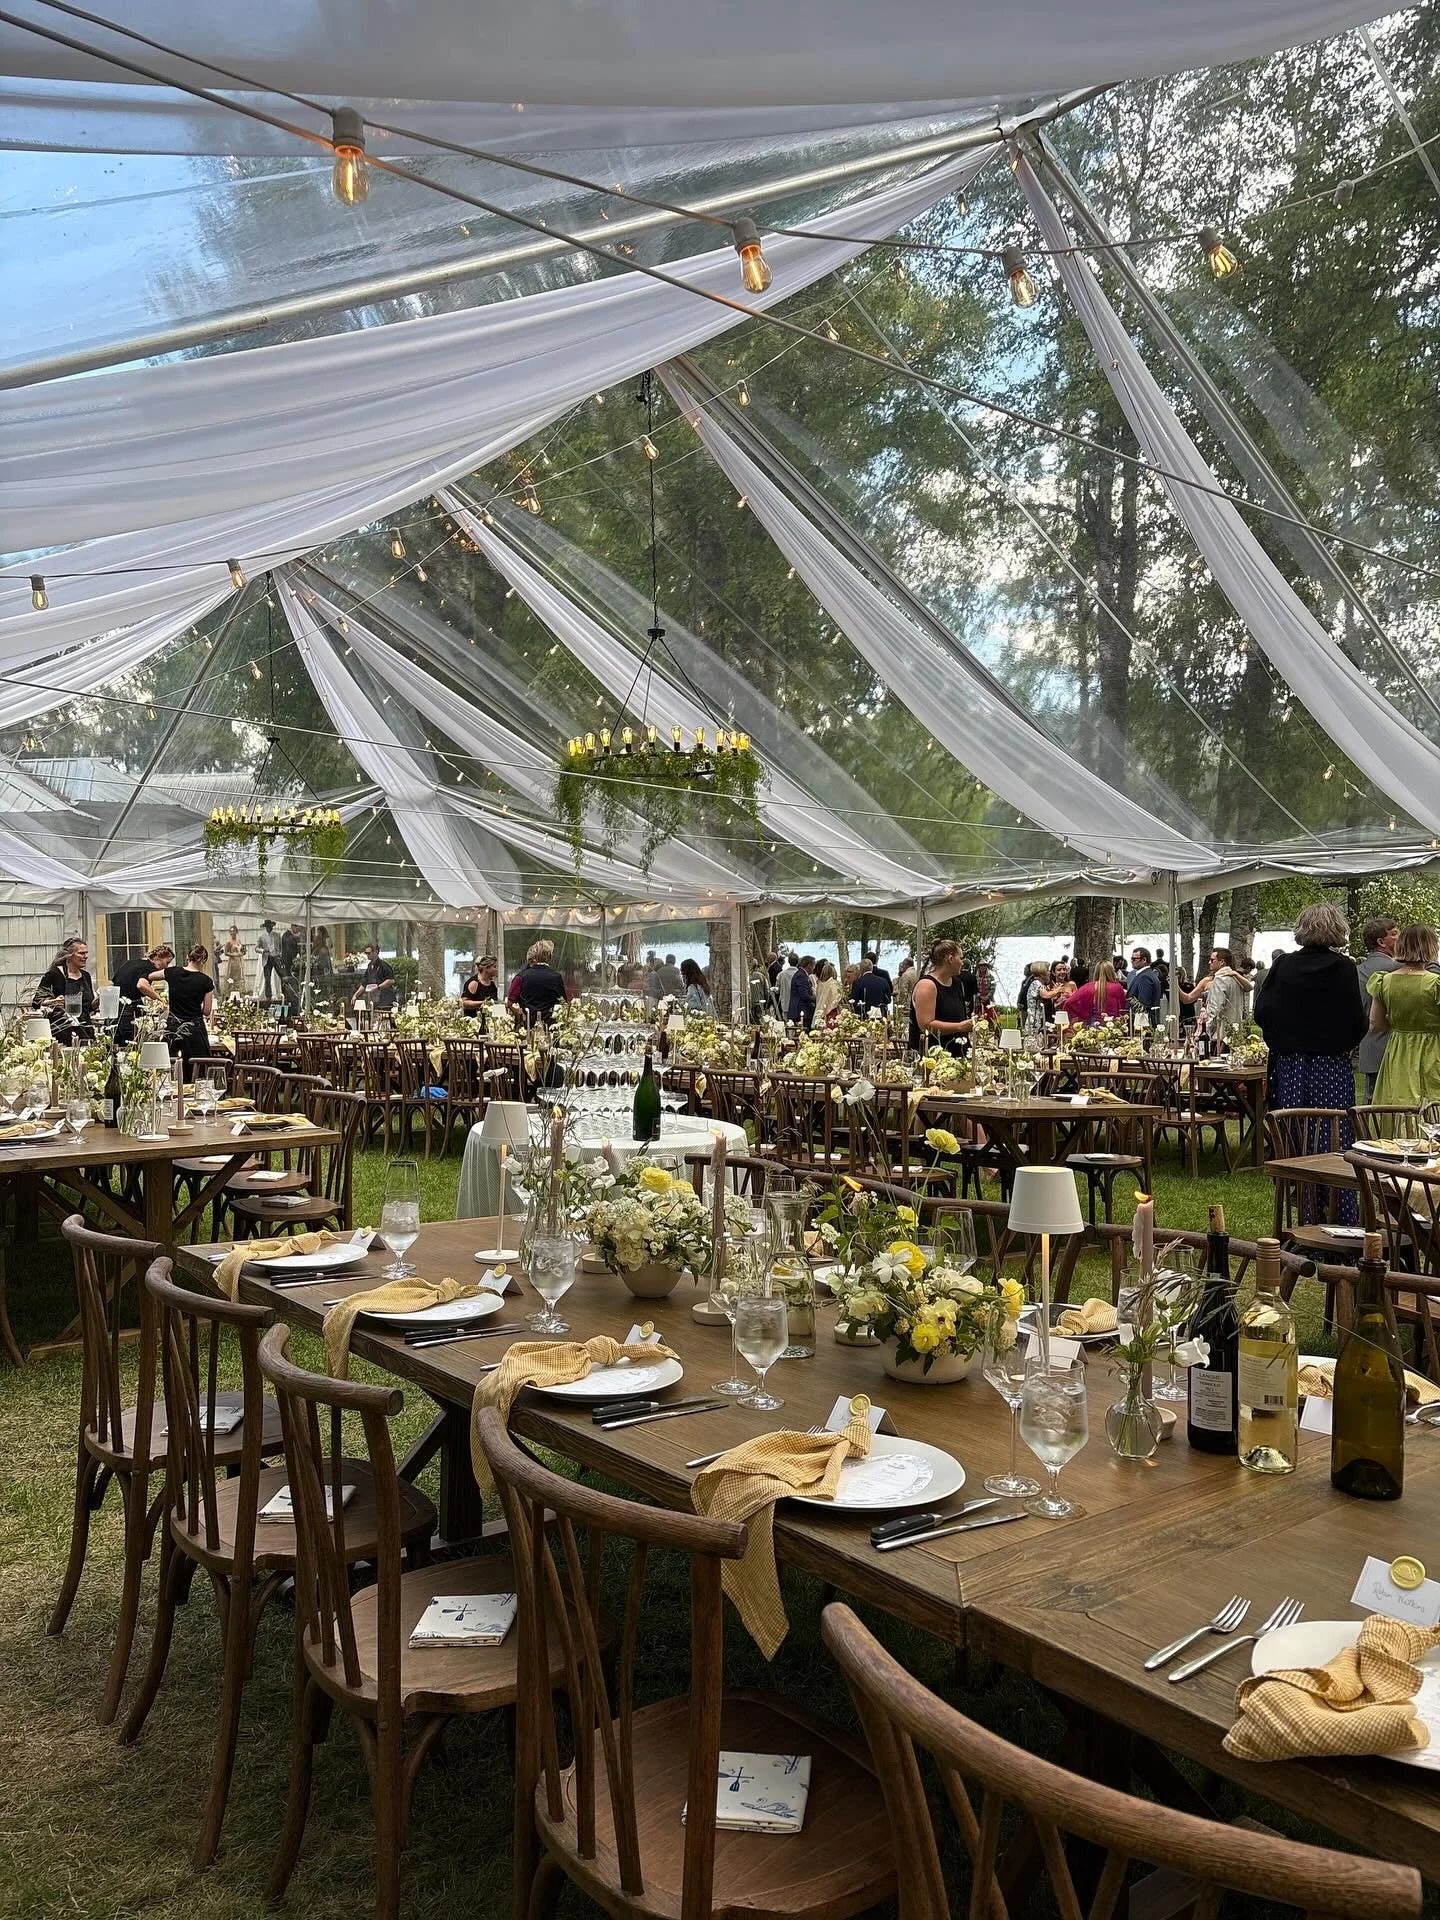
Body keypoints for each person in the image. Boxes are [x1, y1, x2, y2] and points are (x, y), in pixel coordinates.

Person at [1254, 904, 1368, 1117]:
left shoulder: (1283, 964)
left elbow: (1262, 1011)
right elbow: (1354, 1019)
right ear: (1337, 929)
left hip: (1290, 1062)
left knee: (1291, 1126)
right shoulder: (1343, 967)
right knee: (1331, 1125)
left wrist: (1284, 1039)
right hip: (1331, 1063)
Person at [1367, 923, 1440, 1109]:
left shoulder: (1384, 980)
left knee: (1398, 1099)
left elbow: (1376, 1023)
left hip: (1398, 1049)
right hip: (1433, 1050)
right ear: (1431, 947)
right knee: (1432, 1100)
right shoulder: (1435, 984)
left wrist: (1399, 1023)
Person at [908, 938, 975, 1056]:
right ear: (950, 959)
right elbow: (926, 1025)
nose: (962, 962)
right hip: (933, 1057)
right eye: (961, 958)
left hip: (959, 1054)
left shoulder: (957, 984)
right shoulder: (927, 985)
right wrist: (960, 1027)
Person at [1357, 916, 1399, 1100]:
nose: (1400, 938)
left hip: (1369, 1046)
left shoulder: (1357, 970)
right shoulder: (1397, 969)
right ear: (1381, 942)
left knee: (1370, 1107)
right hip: (1393, 1045)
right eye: (1395, 934)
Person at [165, 943, 216, 1073]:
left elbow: (150, 976)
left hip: (173, 1027)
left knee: (173, 1065)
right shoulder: (206, 981)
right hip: (195, 1029)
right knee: (198, 1068)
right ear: (203, 960)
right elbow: (207, 1011)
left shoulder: (172, 972)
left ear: (188, 957)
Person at [113, 941, 174, 1043]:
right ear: (158, 957)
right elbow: (141, 985)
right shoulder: (149, 967)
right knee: (133, 1045)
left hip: (115, 1011)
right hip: (129, 1012)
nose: (166, 967)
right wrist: (160, 999)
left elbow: (112, 983)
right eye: (167, 962)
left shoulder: (129, 963)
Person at [35, 937, 96, 1037]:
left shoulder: (86, 976)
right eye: (81, 953)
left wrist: (99, 1001)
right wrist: (53, 1001)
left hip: (85, 1031)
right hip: (61, 1031)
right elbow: (37, 1001)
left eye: (86, 953)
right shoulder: (54, 975)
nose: (86, 956)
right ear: (69, 956)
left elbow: (89, 1007)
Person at [510, 939, 568, 1026]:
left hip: (528, 1025)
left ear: (534, 957)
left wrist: (519, 1016)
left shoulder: (521, 977)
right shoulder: (556, 977)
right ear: (550, 957)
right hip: (549, 1025)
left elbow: (510, 1002)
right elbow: (563, 1003)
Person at [1060, 960, 1128, 1026]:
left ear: (1096, 972)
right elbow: (1122, 1007)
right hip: (1113, 1025)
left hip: (1093, 1026)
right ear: (1111, 972)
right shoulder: (1117, 987)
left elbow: (1069, 1002)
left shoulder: (1088, 987)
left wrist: (1083, 1015)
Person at [353, 942, 396, 1014]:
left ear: (376, 952)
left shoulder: (384, 965)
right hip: (374, 999)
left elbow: (391, 980)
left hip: (385, 999)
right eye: (365, 953)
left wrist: (378, 988)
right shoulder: (369, 966)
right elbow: (365, 983)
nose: (367, 955)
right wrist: (355, 995)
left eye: (368, 953)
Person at [1126, 947, 1163, 1026]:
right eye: (1131, 958)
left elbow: (1144, 1004)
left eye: (1134, 959)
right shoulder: (1149, 974)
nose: (1131, 961)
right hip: (1147, 1020)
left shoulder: (1144, 977)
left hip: (1143, 1022)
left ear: (1144, 960)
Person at [1017, 959, 1050, 1028]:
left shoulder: (1039, 983)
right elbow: (1046, 995)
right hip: (1034, 1021)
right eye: (1047, 970)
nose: (1049, 972)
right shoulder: (1036, 983)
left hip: (1038, 1019)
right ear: (1041, 974)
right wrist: (1058, 990)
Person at [787, 955, 817, 1030]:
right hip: (801, 1010)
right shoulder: (801, 976)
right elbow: (804, 995)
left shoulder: (800, 974)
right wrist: (816, 999)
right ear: (809, 965)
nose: (814, 968)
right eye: (814, 965)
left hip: (799, 1010)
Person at [256, 919, 281, 1002]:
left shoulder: (277, 935)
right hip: (267, 958)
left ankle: (283, 993)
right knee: (267, 978)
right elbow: (256, 948)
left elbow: (281, 947)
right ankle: (268, 996)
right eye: (268, 927)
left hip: (276, 957)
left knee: (282, 975)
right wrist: (263, 950)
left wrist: (279, 953)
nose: (270, 928)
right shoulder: (262, 937)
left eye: (271, 926)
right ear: (266, 927)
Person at [219, 925, 247, 998]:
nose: (232, 933)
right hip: (233, 961)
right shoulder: (229, 942)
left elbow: (242, 950)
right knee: (232, 977)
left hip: (239, 961)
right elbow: (225, 952)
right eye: (231, 931)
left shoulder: (238, 940)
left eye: (233, 931)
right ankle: (230, 993)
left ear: (236, 932)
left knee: (239, 977)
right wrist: (234, 955)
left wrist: (242, 952)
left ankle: (239, 993)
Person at [813, 958, 843, 1023]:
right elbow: (837, 998)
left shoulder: (819, 984)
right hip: (832, 1012)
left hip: (819, 1010)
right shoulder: (834, 984)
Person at [776, 952, 798, 1017]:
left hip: (785, 1003)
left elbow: (777, 990)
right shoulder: (800, 974)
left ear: (788, 961)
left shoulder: (781, 974)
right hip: (797, 1005)